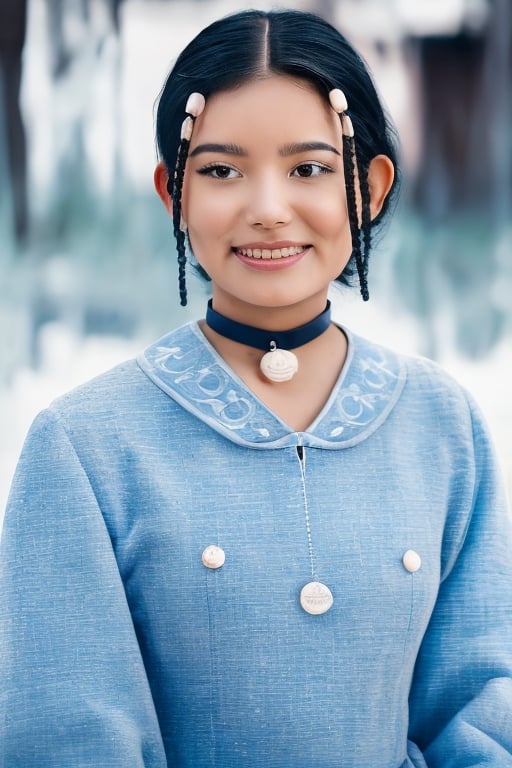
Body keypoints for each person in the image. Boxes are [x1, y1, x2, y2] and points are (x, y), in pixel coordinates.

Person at [1, 8, 511, 767]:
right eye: (220, 170)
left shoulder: (444, 426)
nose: (267, 208)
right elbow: (68, 738)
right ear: (172, 194)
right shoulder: (85, 446)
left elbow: (481, 712)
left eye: (308, 169)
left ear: (368, 190)